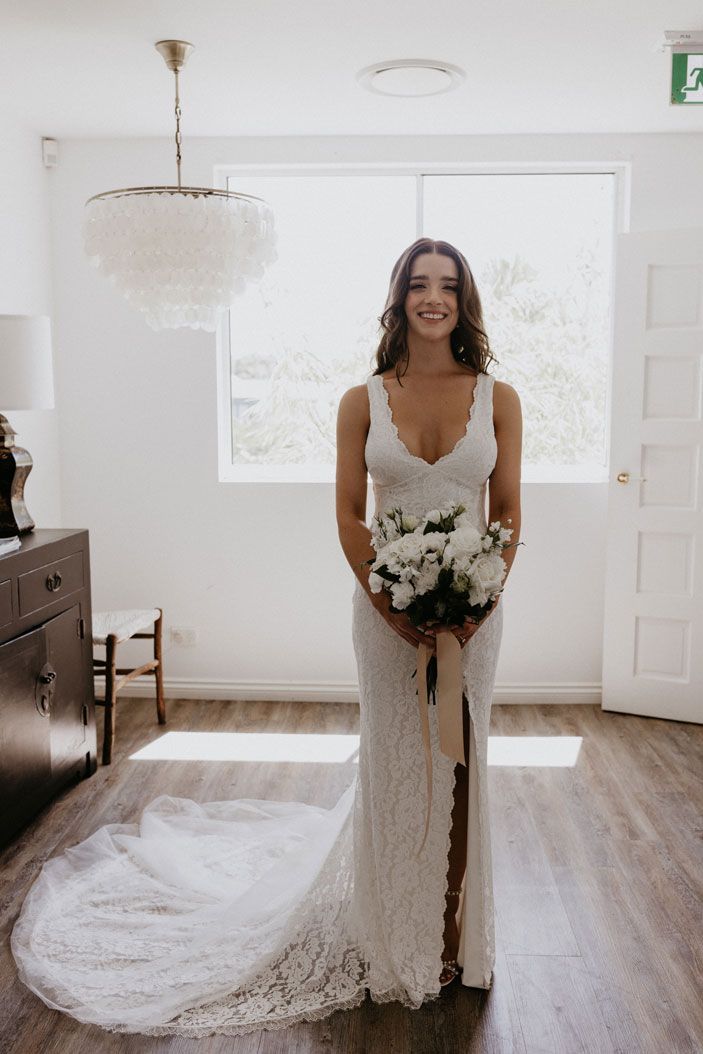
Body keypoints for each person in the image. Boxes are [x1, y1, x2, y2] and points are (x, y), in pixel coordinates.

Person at [10, 237, 522, 1037]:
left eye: (448, 286)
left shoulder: (499, 397)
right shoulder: (361, 399)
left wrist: (479, 602)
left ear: (464, 300)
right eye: (419, 285)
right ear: (398, 298)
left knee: (463, 763)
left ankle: (455, 936)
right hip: (384, 613)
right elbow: (348, 513)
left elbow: (509, 510)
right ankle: (394, 931)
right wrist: (391, 607)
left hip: (473, 616)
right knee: (396, 761)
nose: (433, 299)